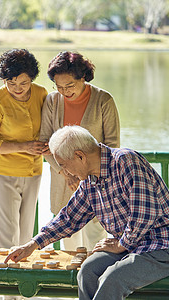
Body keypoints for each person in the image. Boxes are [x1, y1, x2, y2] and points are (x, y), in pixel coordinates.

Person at [6, 126, 169, 300]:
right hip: (131, 246)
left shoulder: (126, 161)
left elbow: (143, 215)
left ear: (80, 156)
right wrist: (33, 244)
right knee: (87, 271)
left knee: (113, 279)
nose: (65, 172)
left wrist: (120, 244)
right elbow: (69, 218)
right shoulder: (89, 180)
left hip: (164, 245)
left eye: (63, 164)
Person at [40, 51, 120, 251]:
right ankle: (68, 282)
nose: (64, 91)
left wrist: (88, 174)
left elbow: (112, 145)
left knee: (96, 238)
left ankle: (94, 279)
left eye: (70, 86)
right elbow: (44, 143)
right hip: (62, 179)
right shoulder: (52, 101)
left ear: (83, 77)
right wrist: (66, 173)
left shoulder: (103, 100)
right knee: (68, 238)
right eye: (59, 87)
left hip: (95, 180)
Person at [0, 48, 48, 249]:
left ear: (32, 79)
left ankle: (24, 279)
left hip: (34, 171)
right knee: (7, 237)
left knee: (26, 235)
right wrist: (25, 146)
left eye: (24, 83)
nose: (18, 88)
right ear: (4, 80)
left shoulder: (42, 94)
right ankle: (6, 277)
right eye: (11, 83)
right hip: (3, 173)